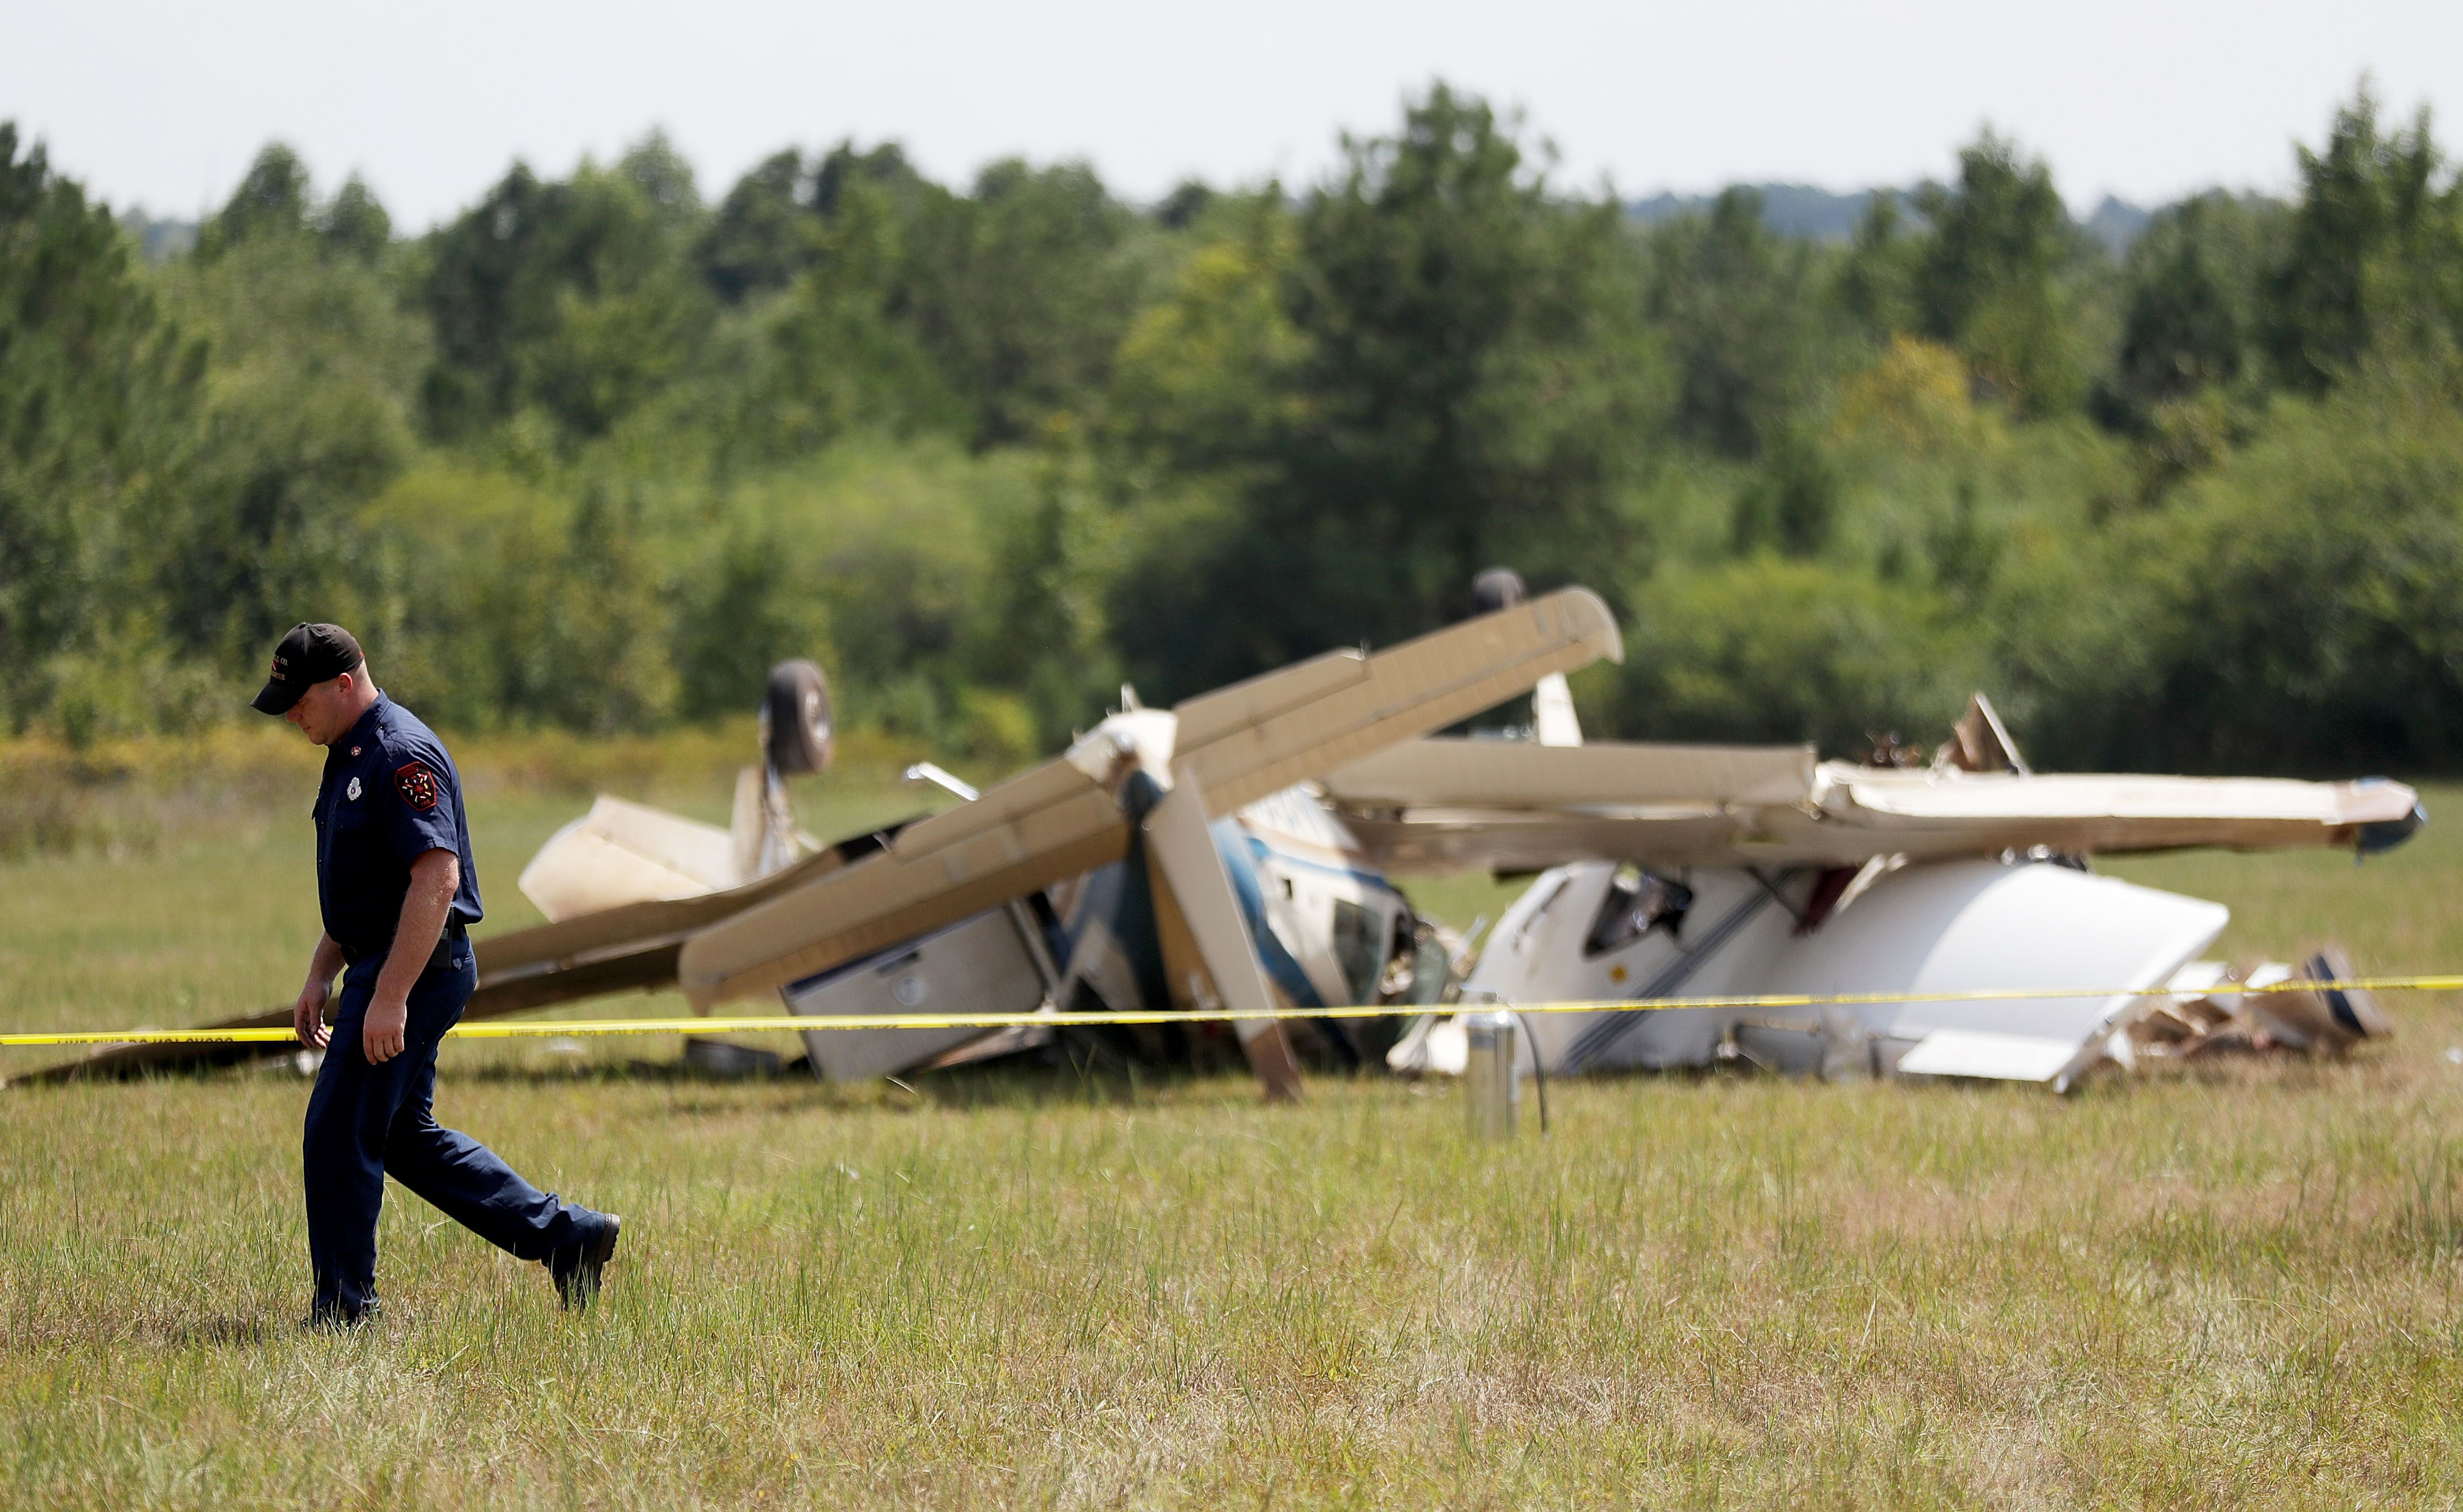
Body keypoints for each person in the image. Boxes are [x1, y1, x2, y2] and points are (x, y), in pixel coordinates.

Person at [252, 622, 621, 1328]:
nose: (291, 714)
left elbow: (435, 877)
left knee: (337, 1134)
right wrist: (319, 972)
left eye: (298, 700)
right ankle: (568, 1238)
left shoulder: (398, 754)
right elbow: (366, 885)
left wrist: (389, 996)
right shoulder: (348, 751)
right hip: (390, 963)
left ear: (343, 683)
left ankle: (344, 1313)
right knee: (399, 1137)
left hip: (413, 969)